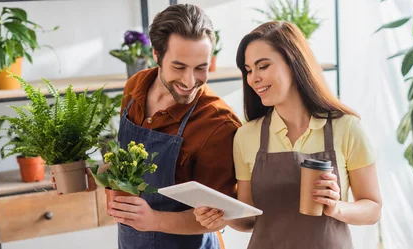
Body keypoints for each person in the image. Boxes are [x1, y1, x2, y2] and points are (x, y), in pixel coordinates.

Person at [193, 21, 382, 249]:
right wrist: (222, 216)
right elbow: (250, 219)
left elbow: (372, 208)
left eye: (263, 66)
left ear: (293, 63)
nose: (253, 78)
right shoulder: (246, 136)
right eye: (249, 70)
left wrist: (337, 207)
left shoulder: (346, 128)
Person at [94, 4, 239, 249]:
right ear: (157, 54)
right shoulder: (136, 86)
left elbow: (218, 217)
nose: (190, 81)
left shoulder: (217, 124)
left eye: (201, 68)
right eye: (179, 67)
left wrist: (155, 220)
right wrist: (90, 175)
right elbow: (123, 162)